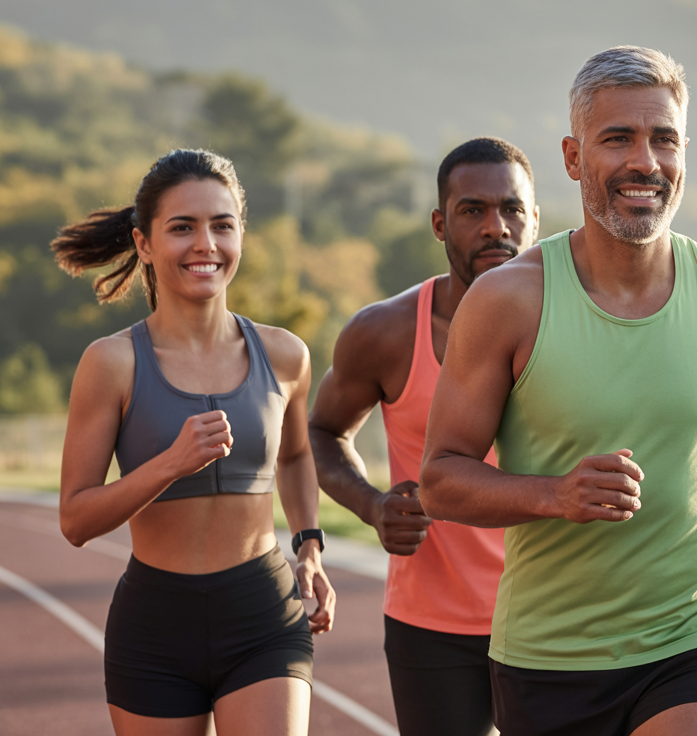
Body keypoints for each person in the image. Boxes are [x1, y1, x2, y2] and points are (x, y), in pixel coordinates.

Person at [418, 46, 697, 736]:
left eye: (663, 138)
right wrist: (555, 495)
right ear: (575, 158)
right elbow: (440, 480)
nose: (645, 161)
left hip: (691, 638)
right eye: (619, 139)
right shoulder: (509, 301)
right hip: (549, 657)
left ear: (684, 151)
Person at [53, 149, 336, 736]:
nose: (205, 243)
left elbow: (297, 453)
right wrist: (169, 465)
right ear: (145, 243)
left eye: (221, 225)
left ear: (240, 235)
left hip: (263, 614)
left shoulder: (285, 355)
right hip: (154, 628)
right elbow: (76, 520)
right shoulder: (110, 364)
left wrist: (308, 543)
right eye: (182, 227)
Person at [307, 136, 539, 736]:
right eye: (473, 211)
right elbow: (322, 431)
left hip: (553, 614)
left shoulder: (581, 326)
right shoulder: (384, 332)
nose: (496, 227)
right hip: (431, 625)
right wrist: (372, 505)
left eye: (513, 209)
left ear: (535, 218)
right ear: (440, 223)